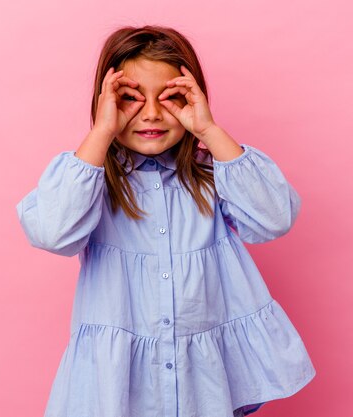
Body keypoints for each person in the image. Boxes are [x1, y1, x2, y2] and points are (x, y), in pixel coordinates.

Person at [16, 24, 316, 417]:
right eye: (130, 99)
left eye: (171, 97)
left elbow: (275, 218)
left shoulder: (212, 174)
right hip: (118, 386)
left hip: (202, 383)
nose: (152, 113)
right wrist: (102, 130)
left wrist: (209, 129)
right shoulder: (90, 178)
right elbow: (53, 233)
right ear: (105, 102)